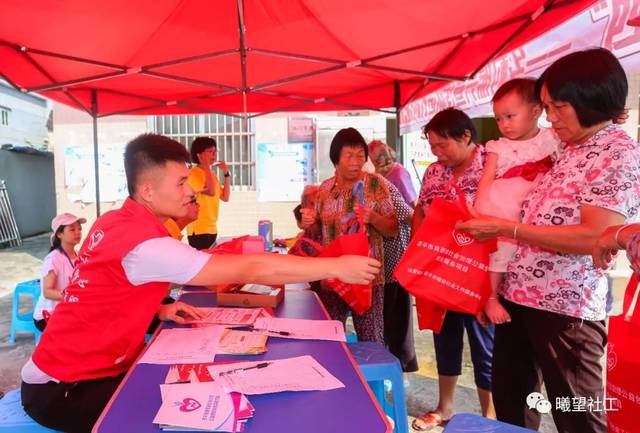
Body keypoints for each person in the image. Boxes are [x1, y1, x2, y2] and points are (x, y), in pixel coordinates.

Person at [20, 133, 381, 433]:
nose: (191, 191)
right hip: (64, 386)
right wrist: (335, 265)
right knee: (196, 418)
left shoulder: (114, 221)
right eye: (181, 183)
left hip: (78, 369)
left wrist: (158, 307)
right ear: (147, 191)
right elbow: (252, 269)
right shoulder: (146, 244)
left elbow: (103, 287)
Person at [456, 48, 640, 433]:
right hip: (519, 297)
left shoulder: (615, 152)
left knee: (576, 413)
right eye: (546, 107)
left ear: (591, 100)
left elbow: (595, 235)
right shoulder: (567, 147)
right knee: (514, 401)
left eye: (558, 107)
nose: (550, 117)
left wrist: (507, 230)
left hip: (565, 310)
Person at [412, 108, 495, 431]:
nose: (437, 153)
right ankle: (444, 407)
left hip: (477, 271)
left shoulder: (493, 163)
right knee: (444, 337)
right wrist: (420, 248)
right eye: (433, 147)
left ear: (466, 136)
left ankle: (490, 415)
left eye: (442, 145)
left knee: (483, 344)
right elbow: (420, 211)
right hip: (439, 270)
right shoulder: (434, 172)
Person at [474, 78, 560, 325]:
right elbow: (486, 179)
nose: (504, 124)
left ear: (536, 111)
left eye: (510, 116)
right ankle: (490, 297)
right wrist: (480, 211)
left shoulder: (552, 137)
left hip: (536, 206)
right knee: (501, 251)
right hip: (503, 206)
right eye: (499, 119)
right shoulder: (498, 147)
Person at [300, 127, 398, 343]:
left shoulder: (375, 184)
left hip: (367, 278)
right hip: (332, 277)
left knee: (372, 340)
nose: (356, 161)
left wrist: (373, 218)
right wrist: (308, 222)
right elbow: (318, 231)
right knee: (329, 338)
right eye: (349, 156)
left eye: (360, 155)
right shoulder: (324, 189)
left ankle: (370, 377)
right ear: (336, 158)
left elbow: (393, 228)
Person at [368, 140, 418, 373]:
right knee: (387, 313)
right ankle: (392, 363)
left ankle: (402, 366)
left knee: (397, 315)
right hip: (381, 259)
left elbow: (411, 212)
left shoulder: (395, 175)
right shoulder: (374, 180)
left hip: (396, 253)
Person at [33, 213, 86, 331]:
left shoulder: (78, 255)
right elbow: (47, 292)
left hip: (68, 310)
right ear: (59, 234)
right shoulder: (53, 259)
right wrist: (73, 296)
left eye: (79, 229)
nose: (78, 233)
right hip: (48, 315)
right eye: (72, 229)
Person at [186, 136, 230, 249]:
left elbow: (225, 197)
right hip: (199, 229)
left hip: (211, 228)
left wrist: (226, 173)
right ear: (199, 154)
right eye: (210, 152)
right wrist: (205, 165)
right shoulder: (193, 173)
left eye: (215, 152)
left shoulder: (211, 174)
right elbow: (210, 191)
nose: (214, 155)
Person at [368, 140, 417, 206]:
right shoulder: (376, 176)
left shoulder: (399, 173)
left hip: (403, 215)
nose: (373, 165)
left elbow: (413, 201)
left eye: (375, 161)